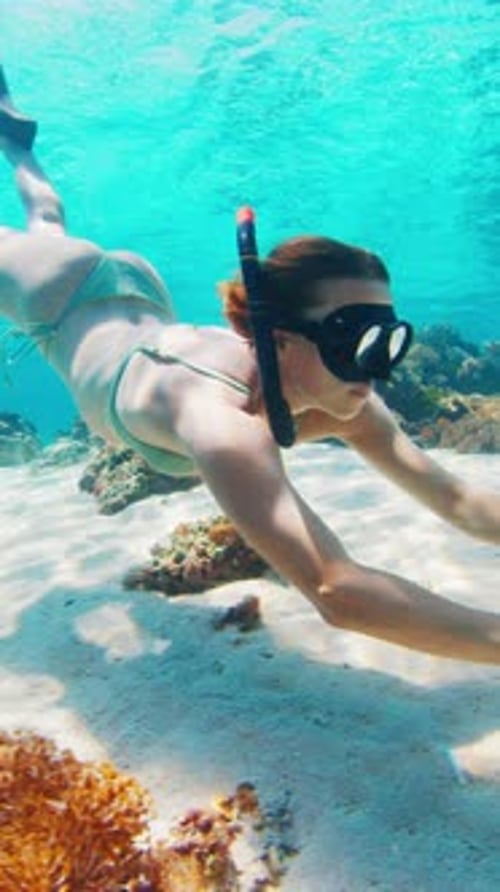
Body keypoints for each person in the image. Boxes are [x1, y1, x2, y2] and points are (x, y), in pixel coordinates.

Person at [1, 66, 499, 663]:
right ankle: (14, 142)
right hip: (52, 294)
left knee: (51, 222)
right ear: (280, 339)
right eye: (355, 341)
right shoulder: (218, 419)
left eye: (387, 341)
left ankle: (14, 141)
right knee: (47, 229)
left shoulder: (348, 399)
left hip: (135, 302)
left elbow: (462, 504)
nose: (375, 368)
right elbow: (338, 592)